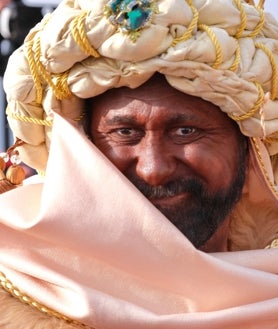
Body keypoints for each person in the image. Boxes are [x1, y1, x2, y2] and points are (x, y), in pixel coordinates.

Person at [0, 0, 278, 328]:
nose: (153, 168)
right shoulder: (15, 278)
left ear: (251, 153)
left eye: (186, 131)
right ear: (81, 149)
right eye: (125, 132)